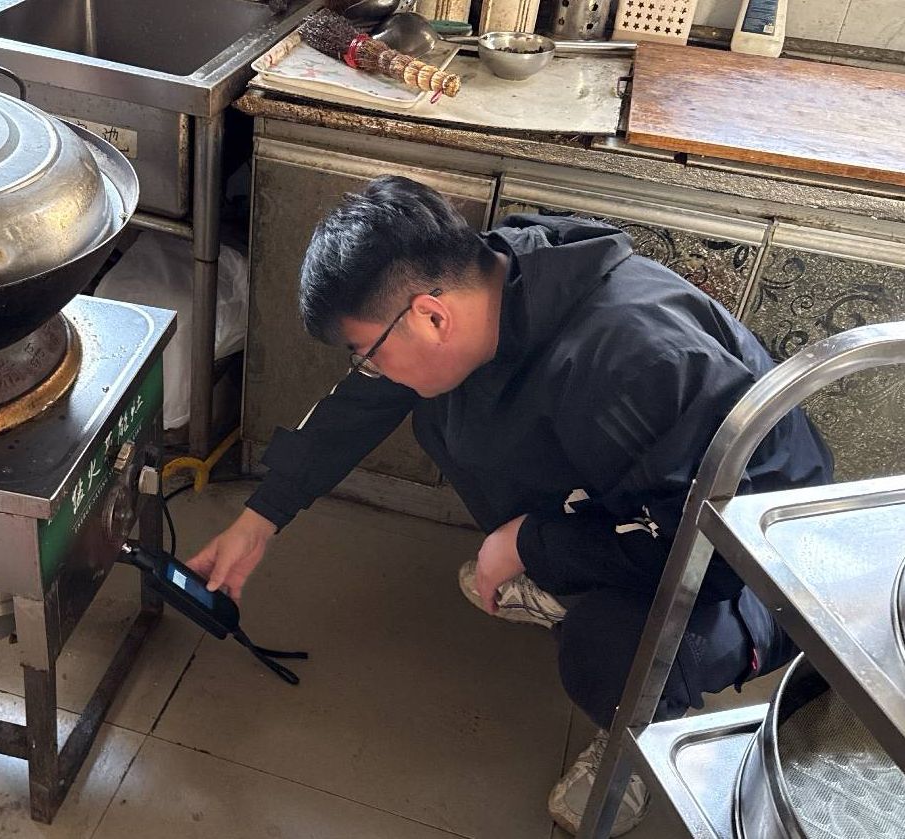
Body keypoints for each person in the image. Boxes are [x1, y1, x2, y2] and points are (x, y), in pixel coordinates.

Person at [185, 176, 832, 836]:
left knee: (605, 648)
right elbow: (362, 405)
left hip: (763, 561)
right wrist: (261, 518)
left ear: (429, 317)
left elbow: (714, 558)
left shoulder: (632, 360)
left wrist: (530, 541)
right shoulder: (489, 279)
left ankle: (636, 736)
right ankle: (573, 574)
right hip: (654, 498)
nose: (371, 371)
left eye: (368, 354)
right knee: (444, 412)